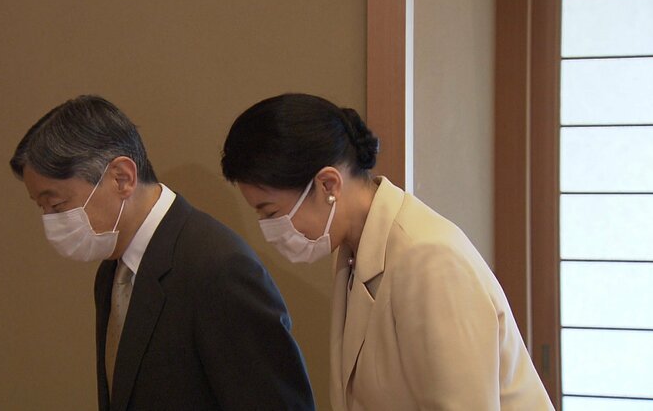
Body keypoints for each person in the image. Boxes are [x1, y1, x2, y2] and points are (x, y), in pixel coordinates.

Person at [221, 93, 555, 410]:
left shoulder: (429, 258)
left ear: (328, 184)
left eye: (271, 212)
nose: (269, 229)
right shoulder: (353, 249)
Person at [9, 95, 315, 411]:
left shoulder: (218, 268)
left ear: (122, 177)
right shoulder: (112, 270)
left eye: (57, 204)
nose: (51, 221)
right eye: (42, 208)